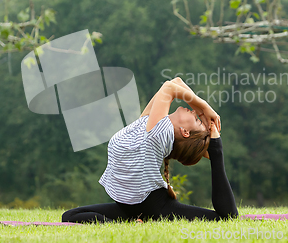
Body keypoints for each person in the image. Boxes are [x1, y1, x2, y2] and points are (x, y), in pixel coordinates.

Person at [61, 77, 239, 223]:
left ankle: (216, 154)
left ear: (185, 132)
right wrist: (200, 110)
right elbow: (175, 81)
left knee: (226, 218)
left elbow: (169, 88)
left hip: (155, 206)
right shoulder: (149, 126)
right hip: (130, 207)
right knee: (69, 216)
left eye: (197, 120)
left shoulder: (160, 132)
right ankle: (132, 223)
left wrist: (205, 107)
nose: (194, 112)